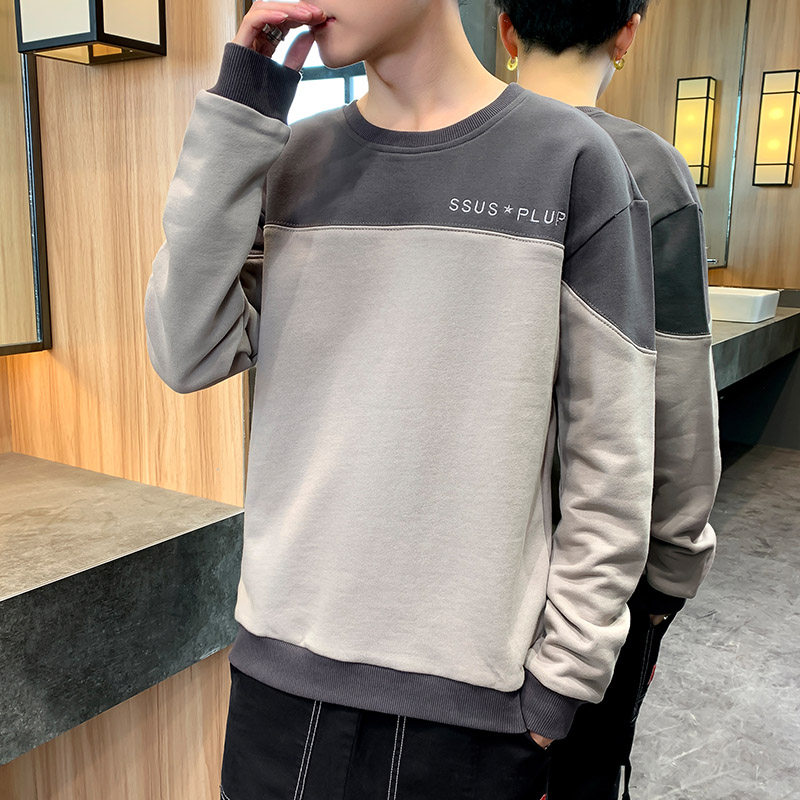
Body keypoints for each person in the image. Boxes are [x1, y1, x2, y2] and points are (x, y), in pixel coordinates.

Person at [144, 1, 658, 797]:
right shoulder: (289, 158)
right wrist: (241, 105)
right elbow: (186, 350)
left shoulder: (569, 159)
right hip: (278, 688)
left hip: (477, 713)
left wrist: (563, 680)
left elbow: (612, 458)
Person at [497, 2, 721, 797]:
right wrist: (672, 568)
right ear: (628, 32)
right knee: (582, 773)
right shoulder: (649, 171)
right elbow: (678, 400)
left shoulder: (453, 151)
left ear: (505, 29)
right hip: (596, 574)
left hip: (467, 577)